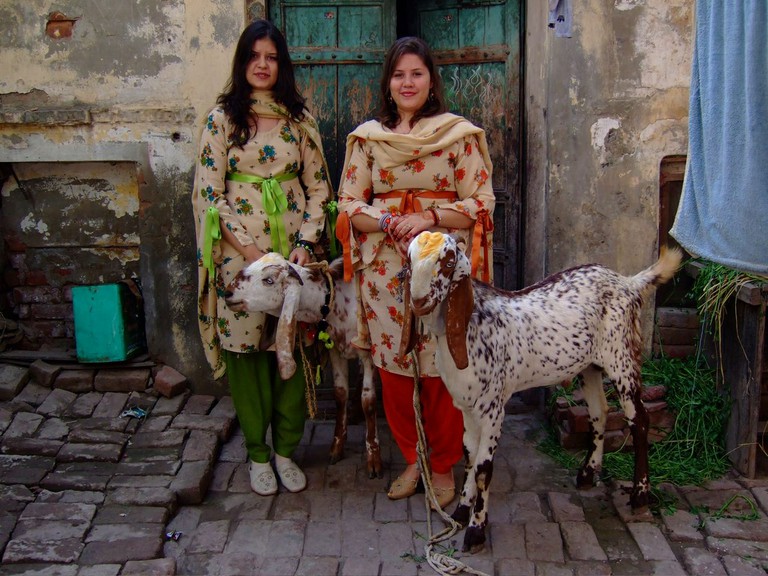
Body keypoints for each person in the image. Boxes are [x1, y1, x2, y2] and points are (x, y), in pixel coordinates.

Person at [336, 36, 495, 509]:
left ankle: (442, 466)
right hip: (385, 272)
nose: (407, 83)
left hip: (439, 270)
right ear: (388, 83)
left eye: (417, 74)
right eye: (399, 74)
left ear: (431, 81)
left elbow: (481, 202)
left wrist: (428, 217)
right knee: (395, 369)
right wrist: (388, 221)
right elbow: (348, 204)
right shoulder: (368, 140)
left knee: (441, 368)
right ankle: (413, 459)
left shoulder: (457, 136)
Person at [192, 19, 333, 496]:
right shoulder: (221, 120)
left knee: (291, 344)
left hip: (294, 260)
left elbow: (319, 189)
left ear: (282, 64)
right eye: (254, 56)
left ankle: (286, 450)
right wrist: (254, 255)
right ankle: (257, 454)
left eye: (271, 57)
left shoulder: (299, 119)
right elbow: (210, 196)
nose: (262, 65)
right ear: (242, 61)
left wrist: (305, 245)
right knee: (247, 353)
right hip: (241, 261)